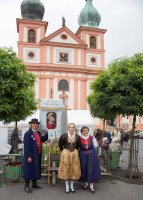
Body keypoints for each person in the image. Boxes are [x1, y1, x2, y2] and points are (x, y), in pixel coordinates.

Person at [23, 118, 48, 193]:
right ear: (31, 125)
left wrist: (48, 133)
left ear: (38, 125)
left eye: (36, 124)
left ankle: (34, 184)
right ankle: (26, 186)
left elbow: (43, 140)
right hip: (30, 155)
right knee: (28, 170)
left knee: (36, 169)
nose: (35, 125)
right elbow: (26, 146)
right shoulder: (28, 134)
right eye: (33, 124)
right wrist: (29, 156)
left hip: (37, 154)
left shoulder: (39, 133)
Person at [58, 122, 81, 193]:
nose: (71, 128)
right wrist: (65, 151)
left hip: (74, 154)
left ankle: (72, 186)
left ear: (74, 128)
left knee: (74, 169)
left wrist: (74, 151)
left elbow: (78, 145)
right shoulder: (64, 136)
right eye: (70, 127)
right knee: (66, 169)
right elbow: (60, 145)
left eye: (73, 127)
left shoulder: (77, 136)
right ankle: (67, 186)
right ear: (68, 128)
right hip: (66, 154)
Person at [79, 126, 101, 193]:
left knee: (91, 168)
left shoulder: (92, 137)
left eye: (86, 130)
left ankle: (91, 186)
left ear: (88, 131)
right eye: (84, 131)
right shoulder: (79, 138)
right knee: (84, 168)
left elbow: (95, 145)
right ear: (82, 132)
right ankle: (86, 184)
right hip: (83, 155)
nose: (85, 132)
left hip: (91, 155)